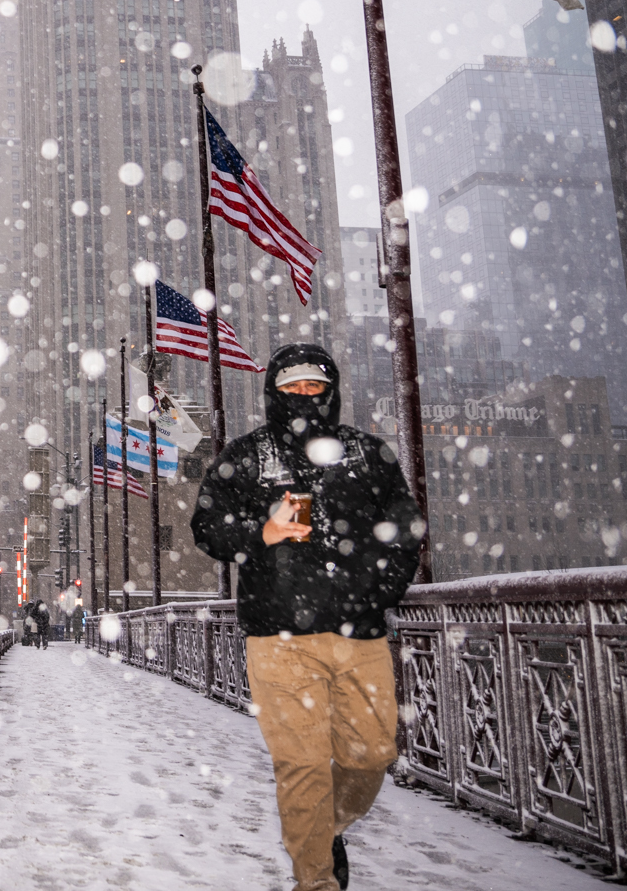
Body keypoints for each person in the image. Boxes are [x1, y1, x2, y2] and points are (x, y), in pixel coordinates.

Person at [190, 343, 423, 891]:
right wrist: (260, 532)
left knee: (372, 756)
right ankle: (315, 880)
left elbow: (406, 527)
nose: (302, 395)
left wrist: (379, 591)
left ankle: (326, 828)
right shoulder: (245, 456)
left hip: (359, 634)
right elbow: (207, 525)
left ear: (330, 389)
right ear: (274, 391)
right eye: (290, 385)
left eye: (312, 385)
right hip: (278, 637)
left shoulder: (368, 453)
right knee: (303, 767)